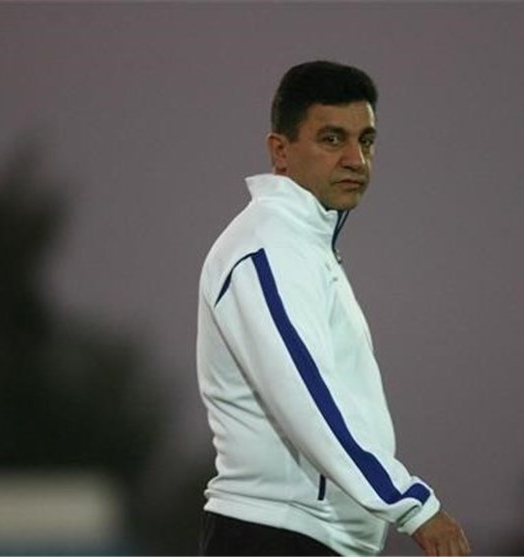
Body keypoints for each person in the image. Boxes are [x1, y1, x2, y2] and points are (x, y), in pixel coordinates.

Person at [196, 60, 471, 556]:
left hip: (304, 537)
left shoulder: (304, 247)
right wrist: (412, 505)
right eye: (331, 139)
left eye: (366, 140)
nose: (355, 159)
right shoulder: (268, 248)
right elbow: (308, 396)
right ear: (280, 151)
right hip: (277, 537)